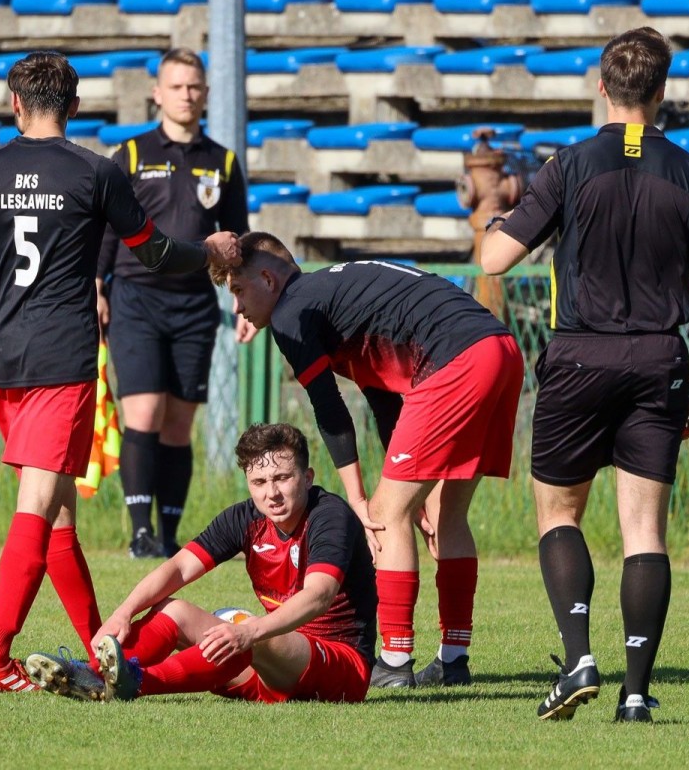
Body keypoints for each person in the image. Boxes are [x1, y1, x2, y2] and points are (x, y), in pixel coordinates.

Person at [0, 50, 241, 694]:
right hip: (63, 359)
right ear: (74, 108)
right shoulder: (96, 173)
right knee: (37, 508)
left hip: (6, 361)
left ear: (14, 104)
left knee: (58, 517)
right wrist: (209, 249)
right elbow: (156, 254)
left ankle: (102, 653)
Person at [478, 27, 689, 723]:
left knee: (559, 513)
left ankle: (579, 655)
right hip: (659, 357)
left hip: (580, 354)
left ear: (601, 87)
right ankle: (638, 692)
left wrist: (501, 215)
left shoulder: (568, 166)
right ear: (662, 90)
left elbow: (495, 260)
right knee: (644, 529)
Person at [214, 233, 525, 689]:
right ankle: (454, 660)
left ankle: (395, 662)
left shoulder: (291, 313)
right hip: (500, 349)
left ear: (267, 278)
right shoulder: (335, 295)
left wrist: (359, 499)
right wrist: (411, 493)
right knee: (443, 513)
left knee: (383, 515)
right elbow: (386, 402)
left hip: (455, 361)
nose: (237, 307)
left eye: (238, 291)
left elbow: (329, 409)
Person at [24, 423, 377, 704]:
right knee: (174, 611)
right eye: (259, 482)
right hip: (267, 671)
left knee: (243, 628)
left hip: (341, 669)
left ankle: (138, 683)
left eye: (282, 478)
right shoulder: (246, 518)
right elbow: (178, 569)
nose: (271, 492)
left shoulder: (329, 516)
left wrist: (248, 631)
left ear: (308, 477)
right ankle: (90, 676)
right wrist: (124, 612)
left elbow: (319, 595)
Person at [97, 48, 250, 561]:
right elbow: (106, 227)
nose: (187, 95)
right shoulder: (132, 154)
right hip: (136, 298)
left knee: (179, 423)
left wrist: (245, 300)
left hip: (195, 305)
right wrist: (97, 285)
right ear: (157, 93)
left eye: (195, 86)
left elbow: (236, 243)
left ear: (206, 93)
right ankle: (139, 531)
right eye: (177, 86)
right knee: (144, 411)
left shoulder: (222, 160)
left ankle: (167, 531)